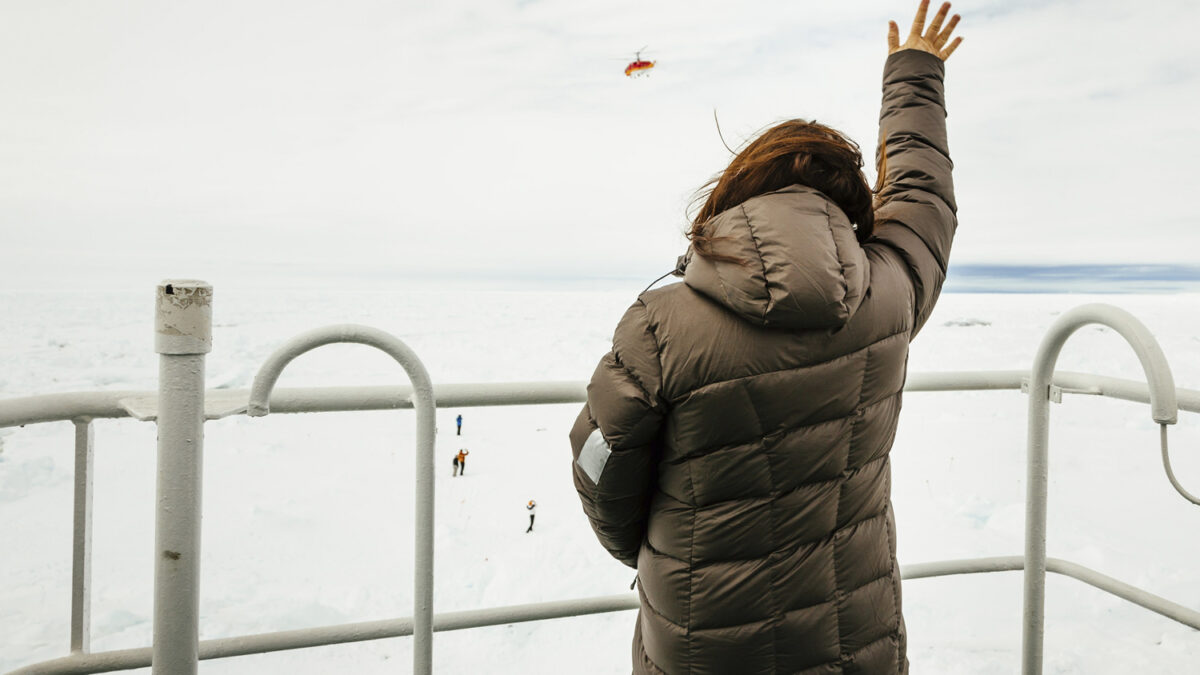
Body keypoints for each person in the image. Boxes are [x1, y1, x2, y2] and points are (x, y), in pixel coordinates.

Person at [568, 2, 962, 673]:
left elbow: (599, 467)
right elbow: (921, 197)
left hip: (702, 647)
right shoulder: (888, 296)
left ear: (737, 190)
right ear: (853, 207)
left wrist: (662, 548)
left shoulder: (660, 325)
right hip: (853, 644)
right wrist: (913, 75)